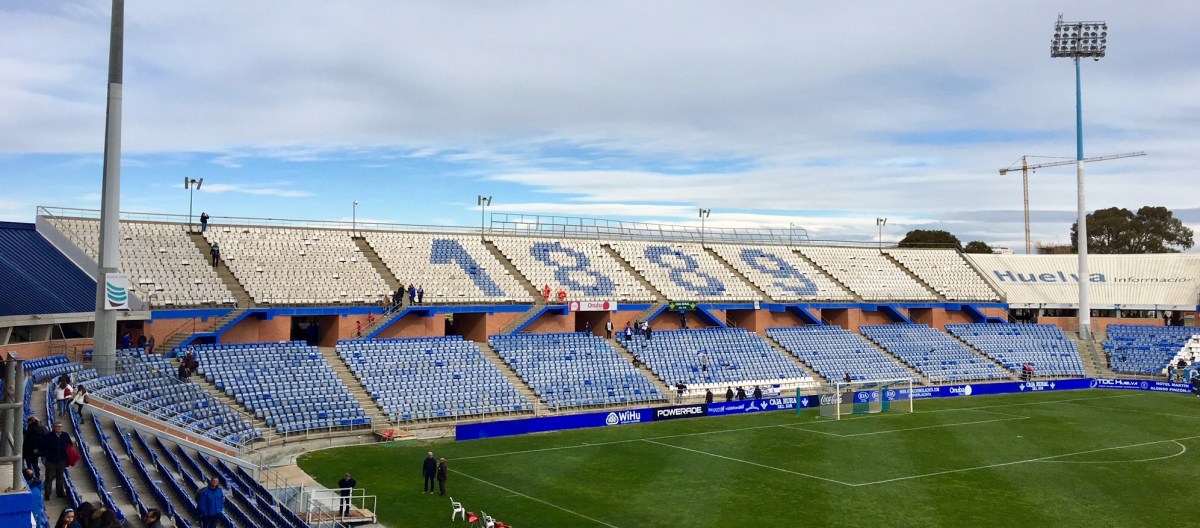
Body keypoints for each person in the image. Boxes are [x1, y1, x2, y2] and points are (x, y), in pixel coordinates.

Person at [41, 421, 73, 499]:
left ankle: (60, 492)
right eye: (57, 426)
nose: (59, 428)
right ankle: (47, 494)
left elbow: (70, 444)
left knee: (60, 477)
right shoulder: (48, 436)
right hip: (51, 460)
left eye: (60, 426)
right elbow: (43, 447)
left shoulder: (65, 435)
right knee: (49, 477)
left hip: (61, 460)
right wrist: (48, 455)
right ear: (54, 427)